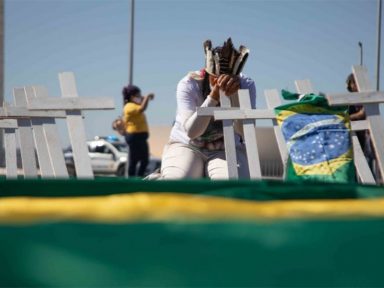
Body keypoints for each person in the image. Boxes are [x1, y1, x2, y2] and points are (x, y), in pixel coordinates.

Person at [160, 38, 256, 179]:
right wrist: (213, 97)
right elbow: (192, 132)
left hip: (225, 149)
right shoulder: (190, 83)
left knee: (228, 185)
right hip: (187, 145)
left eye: (227, 78)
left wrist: (235, 96)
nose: (221, 83)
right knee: (177, 181)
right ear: (207, 73)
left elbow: (245, 132)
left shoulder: (245, 84)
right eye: (215, 78)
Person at [122, 85, 154, 177]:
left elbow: (142, 106)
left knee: (144, 159)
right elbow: (142, 108)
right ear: (132, 96)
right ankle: (132, 179)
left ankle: (139, 177)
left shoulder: (135, 105)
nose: (140, 96)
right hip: (134, 136)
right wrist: (147, 97)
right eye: (138, 95)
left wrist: (145, 99)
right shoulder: (129, 106)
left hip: (140, 137)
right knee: (135, 159)